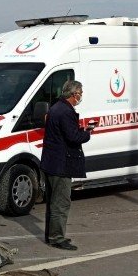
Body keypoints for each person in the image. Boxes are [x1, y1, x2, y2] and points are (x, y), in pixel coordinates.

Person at [40, 80, 94, 251]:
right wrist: (87, 133)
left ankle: (52, 235)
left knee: (53, 202)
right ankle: (57, 238)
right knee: (61, 202)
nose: (81, 96)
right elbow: (73, 137)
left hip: (51, 162)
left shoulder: (56, 108)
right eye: (80, 93)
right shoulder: (65, 111)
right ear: (74, 94)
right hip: (60, 164)